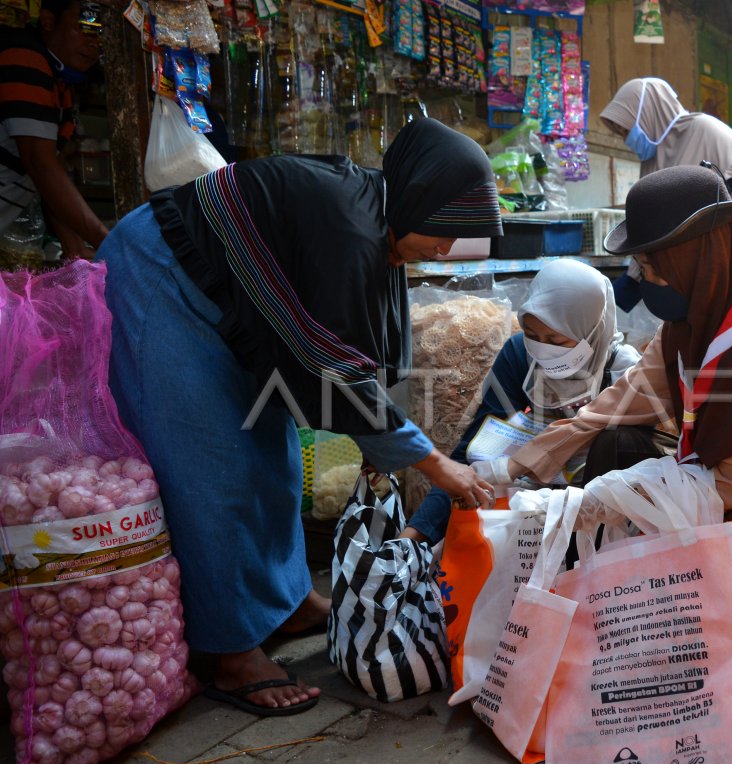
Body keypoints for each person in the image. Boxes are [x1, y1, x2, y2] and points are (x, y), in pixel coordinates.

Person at [96, 117, 501, 716]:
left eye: (454, 240)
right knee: (215, 467)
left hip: (228, 304)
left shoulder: (380, 215)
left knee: (274, 452)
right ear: (415, 195)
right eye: (439, 234)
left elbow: (367, 350)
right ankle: (230, 653)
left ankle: (282, 601)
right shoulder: (347, 224)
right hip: (164, 280)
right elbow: (338, 369)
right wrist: (435, 465)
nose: (442, 250)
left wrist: (383, 438)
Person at [480, 166, 732, 687]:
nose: (644, 282)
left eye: (653, 266)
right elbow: (615, 405)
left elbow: (724, 484)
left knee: (669, 598)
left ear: (694, 260)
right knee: (617, 442)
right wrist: (510, 470)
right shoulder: (692, 325)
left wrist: (584, 504)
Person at [402, 258, 646, 545]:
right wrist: (414, 536)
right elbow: (472, 453)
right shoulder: (520, 355)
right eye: (533, 335)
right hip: (530, 509)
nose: (543, 350)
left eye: (556, 340)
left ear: (591, 329)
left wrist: (517, 467)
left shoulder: (624, 372)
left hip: (603, 517)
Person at [598, 77, 732, 309]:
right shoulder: (652, 160)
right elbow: (650, 239)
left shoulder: (708, 131)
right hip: (691, 281)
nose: (627, 140)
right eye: (621, 133)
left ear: (650, 113)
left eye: (627, 130)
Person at [0, 0, 108, 258]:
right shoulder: (24, 58)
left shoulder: (57, 75)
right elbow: (40, 163)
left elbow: (49, 168)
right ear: (48, 21)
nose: (94, 43)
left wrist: (73, 245)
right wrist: (110, 243)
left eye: (99, 34)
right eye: (83, 29)